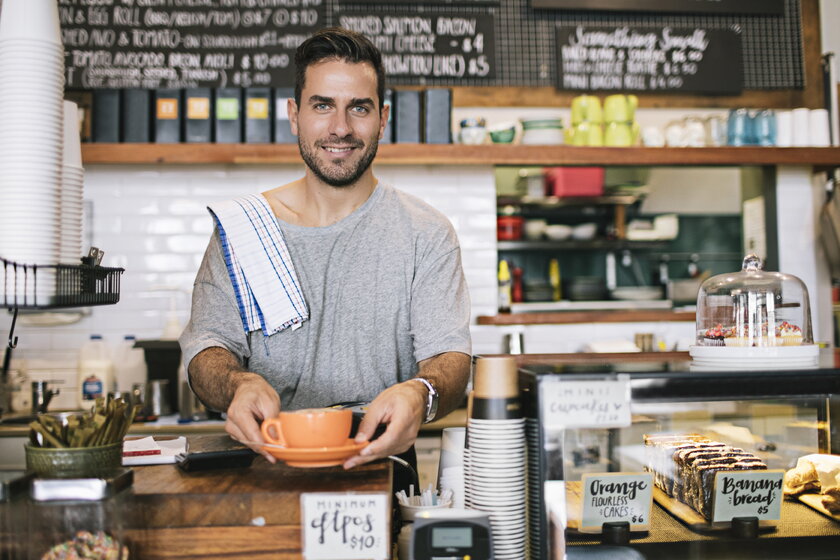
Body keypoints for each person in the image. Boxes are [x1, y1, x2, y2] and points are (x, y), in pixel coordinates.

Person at [179, 27, 471, 471]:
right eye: (322, 106)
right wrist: (239, 383)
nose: (340, 128)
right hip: (266, 468)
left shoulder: (426, 232)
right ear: (295, 115)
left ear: (383, 118)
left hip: (381, 467)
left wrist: (421, 392)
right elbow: (206, 348)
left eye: (359, 107)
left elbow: (450, 357)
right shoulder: (242, 229)